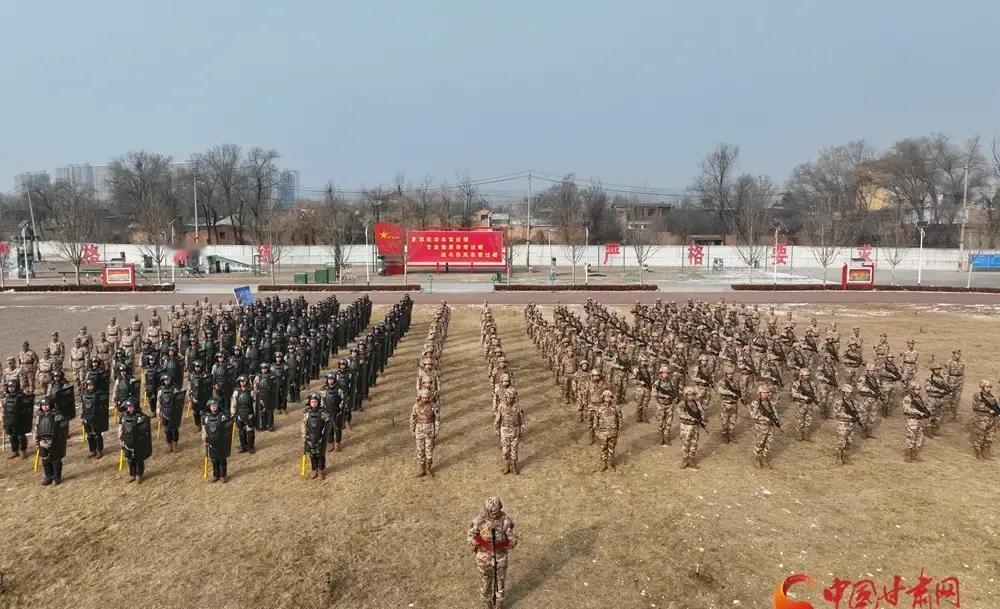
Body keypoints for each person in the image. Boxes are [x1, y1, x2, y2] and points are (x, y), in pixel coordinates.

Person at [467, 496, 517, 609]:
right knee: (485, 585)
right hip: (483, 559)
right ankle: (487, 606)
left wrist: (504, 545)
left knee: (500, 583)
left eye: (497, 512)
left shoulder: (505, 520)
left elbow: (513, 538)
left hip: (500, 558)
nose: (494, 515)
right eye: (491, 513)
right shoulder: (479, 520)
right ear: (486, 511)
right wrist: (476, 541)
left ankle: (499, 606)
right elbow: (470, 536)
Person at [34, 396, 69, 486]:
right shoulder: (39, 416)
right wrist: (36, 441)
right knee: (45, 460)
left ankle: (57, 477)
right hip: (42, 441)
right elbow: (36, 428)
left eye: (47, 405)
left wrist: (60, 440)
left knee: (55, 460)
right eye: (43, 405)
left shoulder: (57, 415)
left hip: (54, 441)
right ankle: (48, 476)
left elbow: (63, 427)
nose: (45, 407)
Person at [118, 398, 152, 483]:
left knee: (138, 460)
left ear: (135, 407)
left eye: (131, 407)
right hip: (127, 441)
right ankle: (132, 474)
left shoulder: (140, 417)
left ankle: (139, 475)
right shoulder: (123, 416)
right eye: (128, 407)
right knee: (130, 460)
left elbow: (144, 429)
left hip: (137, 442)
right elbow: (121, 428)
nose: (129, 408)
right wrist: (120, 439)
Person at [410, 388, 440, 477]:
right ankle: (422, 469)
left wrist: (436, 431)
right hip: (419, 430)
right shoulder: (416, 406)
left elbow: (437, 420)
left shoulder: (434, 406)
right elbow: (413, 418)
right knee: (420, 450)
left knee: (429, 451)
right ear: (420, 397)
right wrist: (412, 430)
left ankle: (428, 469)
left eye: (427, 397)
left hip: (429, 430)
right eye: (423, 397)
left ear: (430, 397)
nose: (425, 399)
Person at [494, 388, 524, 475]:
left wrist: (521, 430)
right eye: (508, 398)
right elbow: (497, 420)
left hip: (515, 431)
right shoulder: (501, 406)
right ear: (505, 397)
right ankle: (507, 466)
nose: (510, 400)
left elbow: (522, 419)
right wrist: (497, 430)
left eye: (512, 398)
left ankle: (514, 466)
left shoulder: (518, 406)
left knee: (514, 450)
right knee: (505, 450)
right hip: (505, 431)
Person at [202, 398, 232, 482]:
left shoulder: (222, 416)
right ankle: (216, 475)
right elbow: (205, 429)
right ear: (209, 407)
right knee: (214, 459)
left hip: (221, 441)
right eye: (212, 406)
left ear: (218, 406)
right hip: (211, 442)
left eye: (215, 406)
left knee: (222, 459)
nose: (213, 407)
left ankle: (223, 475)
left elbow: (226, 428)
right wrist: (205, 440)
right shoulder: (207, 418)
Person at [749, 385, 779, 469]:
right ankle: (757, 459)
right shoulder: (755, 403)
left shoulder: (769, 402)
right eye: (764, 392)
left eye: (767, 392)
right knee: (760, 443)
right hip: (761, 426)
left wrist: (776, 418)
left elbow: (774, 410)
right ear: (759, 393)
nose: (766, 394)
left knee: (768, 444)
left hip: (771, 426)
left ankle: (764, 458)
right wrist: (764, 418)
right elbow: (753, 415)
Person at [301, 393, 330, 480]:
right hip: (310, 438)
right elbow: (303, 425)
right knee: (312, 455)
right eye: (312, 402)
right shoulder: (307, 413)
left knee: (320, 455)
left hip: (320, 438)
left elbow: (328, 423)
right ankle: (314, 470)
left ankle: (321, 470)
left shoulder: (323, 413)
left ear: (318, 402)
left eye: (315, 402)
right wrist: (304, 436)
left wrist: (325, 436)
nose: (313, 403)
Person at [592, 389, 622, 471]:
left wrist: (619, 429)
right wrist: (596, 431)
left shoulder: (616, 408)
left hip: (613, 432)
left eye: (609, 397)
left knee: (611, 448)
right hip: (602, 433)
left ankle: (609, 464)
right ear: (603, 398)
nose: (608, 398)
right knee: (603, 448)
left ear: (612, 398)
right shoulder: (599, 409)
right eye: (606, 397)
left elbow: (619, 419)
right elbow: (595, 420)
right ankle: (603, 464)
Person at [678, 386, 707, 470]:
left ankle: (691, 459)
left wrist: (702, 420)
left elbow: (701, 413)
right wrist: (690, 418)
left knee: (694, 443)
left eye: (692, 395)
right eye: (689, 395)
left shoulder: (697, 404)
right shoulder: (682, 404)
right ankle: (684, 459)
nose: (690, 396)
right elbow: (681, 413)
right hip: (686, 426)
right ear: (685, 395)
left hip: (695, 426)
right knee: (686, 443)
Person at [901, 382, 931, 462]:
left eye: (919, 389)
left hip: (920, 420)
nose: (918, 391)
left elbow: (924, 408)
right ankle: (908, 454)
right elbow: (907, 409)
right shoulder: (907, 398)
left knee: (919, 438)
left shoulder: (920, 399)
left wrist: (927, 416)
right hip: (912, 419)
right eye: (916, 389)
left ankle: (915, 454)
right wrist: (918, 412)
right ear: (912, 389)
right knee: (911, 437)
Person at [80, 377, 109, 458]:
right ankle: (92, 450)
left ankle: (99, 450)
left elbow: (104, 407)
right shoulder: (85, 395)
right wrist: (82, 417)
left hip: (96, 418)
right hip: (87, 417)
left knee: (97, 435)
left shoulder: (99, 394)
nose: (90, 387)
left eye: (91, 385)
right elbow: (84, 407)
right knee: (89, 436)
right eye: (88, 385)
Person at [2, 379, 31, 458]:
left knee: (21, 437)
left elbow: (28, 407)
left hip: (19, 421)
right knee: (12, 437)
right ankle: (15, 451)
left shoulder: (21, 396)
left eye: (13, 387)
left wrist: (28, 395)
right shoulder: (7, 397)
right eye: (9, 387)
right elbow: (5, 410)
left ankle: (23, 451)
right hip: (10, 420)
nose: (11, 389)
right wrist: (5, 421)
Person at [970, 380, 999, 460]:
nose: (989, 389)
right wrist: (988, 409)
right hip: (981, 419)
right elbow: (975, 406)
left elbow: (996, 406)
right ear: (982, 387)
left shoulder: (991, 396)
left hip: (991, 420)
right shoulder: (978, 395)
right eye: (987, 387)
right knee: (980, 436)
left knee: (989, 437)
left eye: (990, 387)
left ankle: (986, 452)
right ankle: (978, 452)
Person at [790, 368, 818, 441]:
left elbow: (815, 392)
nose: (807, 377)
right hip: (801, 404)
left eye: (808, 375)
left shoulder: (811, 383)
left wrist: (816, 398)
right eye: (805, 375)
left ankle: (806, 435)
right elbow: (793, 393)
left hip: (809, 405)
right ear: (801, 375)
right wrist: (803, 397)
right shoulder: (796, 383)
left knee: (808, 421)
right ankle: (799, 435)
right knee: (800, 421)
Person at [230, 374, 256, 454]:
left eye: (244, 381)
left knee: (250, 431)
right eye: (241, 381)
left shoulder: (251, 391)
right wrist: (233, 414)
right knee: (241, 431)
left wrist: (254, 414)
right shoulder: (236, 392)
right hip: (239, 415)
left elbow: (255, 403)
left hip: (249, 414)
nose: (242, 383)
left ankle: (250, 447)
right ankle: (243, 446)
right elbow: (233, 403)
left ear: (247, 381)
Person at [157, 374, 183, 451]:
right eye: (165, 380)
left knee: (174, 429)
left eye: (167, 380)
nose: (166, 381)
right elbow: (158, 402)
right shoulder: (160, 391)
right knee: (167, 430)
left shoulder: (175, 389)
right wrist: (158, 412)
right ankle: (169, 445)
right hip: (164, 413)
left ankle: (175, 444)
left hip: (173, 413)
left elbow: (179, 401)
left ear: (170, 380)